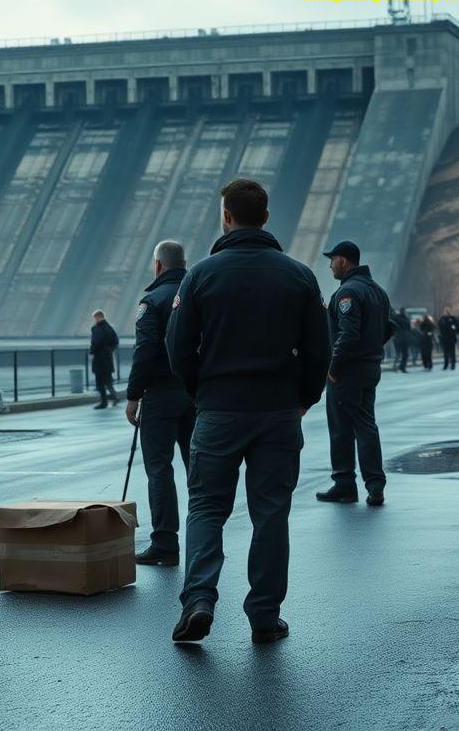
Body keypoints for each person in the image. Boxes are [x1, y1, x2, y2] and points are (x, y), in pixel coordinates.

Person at [165, 178, 330, 645]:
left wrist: (202, 392)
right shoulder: (299, 275)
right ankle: (263, 615)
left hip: (218, 409)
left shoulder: (200, 274)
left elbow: (178, 349)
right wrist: (305, 399)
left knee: (205, 509)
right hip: (278, 411)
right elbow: (320, 350)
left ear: (226, 216)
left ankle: (198, 599)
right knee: (271, 514)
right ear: (267, 217)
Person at [125, 239, 195, 567]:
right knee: (200, 467)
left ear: (158, 265)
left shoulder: (153, 301)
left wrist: (133, 396)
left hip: (161, 395)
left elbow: (145, 352)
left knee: (159, 468)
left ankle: (165, 543)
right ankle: (205, 537)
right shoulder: (200, 294)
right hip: (197, 393)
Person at [316, 241, 393, 507]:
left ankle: (346, 483)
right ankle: (372, 485)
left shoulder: (348, 293)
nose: (330, 265)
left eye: (332, 260)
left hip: (347, 371)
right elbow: (389, 327)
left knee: (343, 428)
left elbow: (347, 334)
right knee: (365, 424)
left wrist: (334, 368)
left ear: (345, 261)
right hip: (370, 368)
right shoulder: (377, 291)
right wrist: (371, 351)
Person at [90, 310, 120, 408]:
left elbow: (96, 342)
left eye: (94, 318)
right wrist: (110, 349)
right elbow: (116, 341)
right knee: (107, 380)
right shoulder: (109, 328)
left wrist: (92, 351)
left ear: (97, 317)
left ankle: (104, 402)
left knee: (99, 382)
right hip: (108, 358)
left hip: (99, 358)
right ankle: (115, 397)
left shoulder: (96, 329)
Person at [390, 307, 411, 373]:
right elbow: (409, 329)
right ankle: (402, 367)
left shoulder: (396, 318)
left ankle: (397, 366)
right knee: (405, 354)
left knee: (398, 354)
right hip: (403, 338)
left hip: (398, 338)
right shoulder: (406, 319)